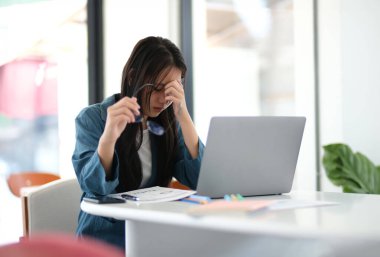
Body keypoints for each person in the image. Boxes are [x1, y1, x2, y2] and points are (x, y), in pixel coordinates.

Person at [72, 36, 204, 250]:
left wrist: (183, 115)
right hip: (104, 240)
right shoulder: (94, 119)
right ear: (134, 77)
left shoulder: (170, 125)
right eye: (158, 88)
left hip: (153, 236)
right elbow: (94, 188)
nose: (164, 99)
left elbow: (200, 179)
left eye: (171, 90)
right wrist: (108, 139)